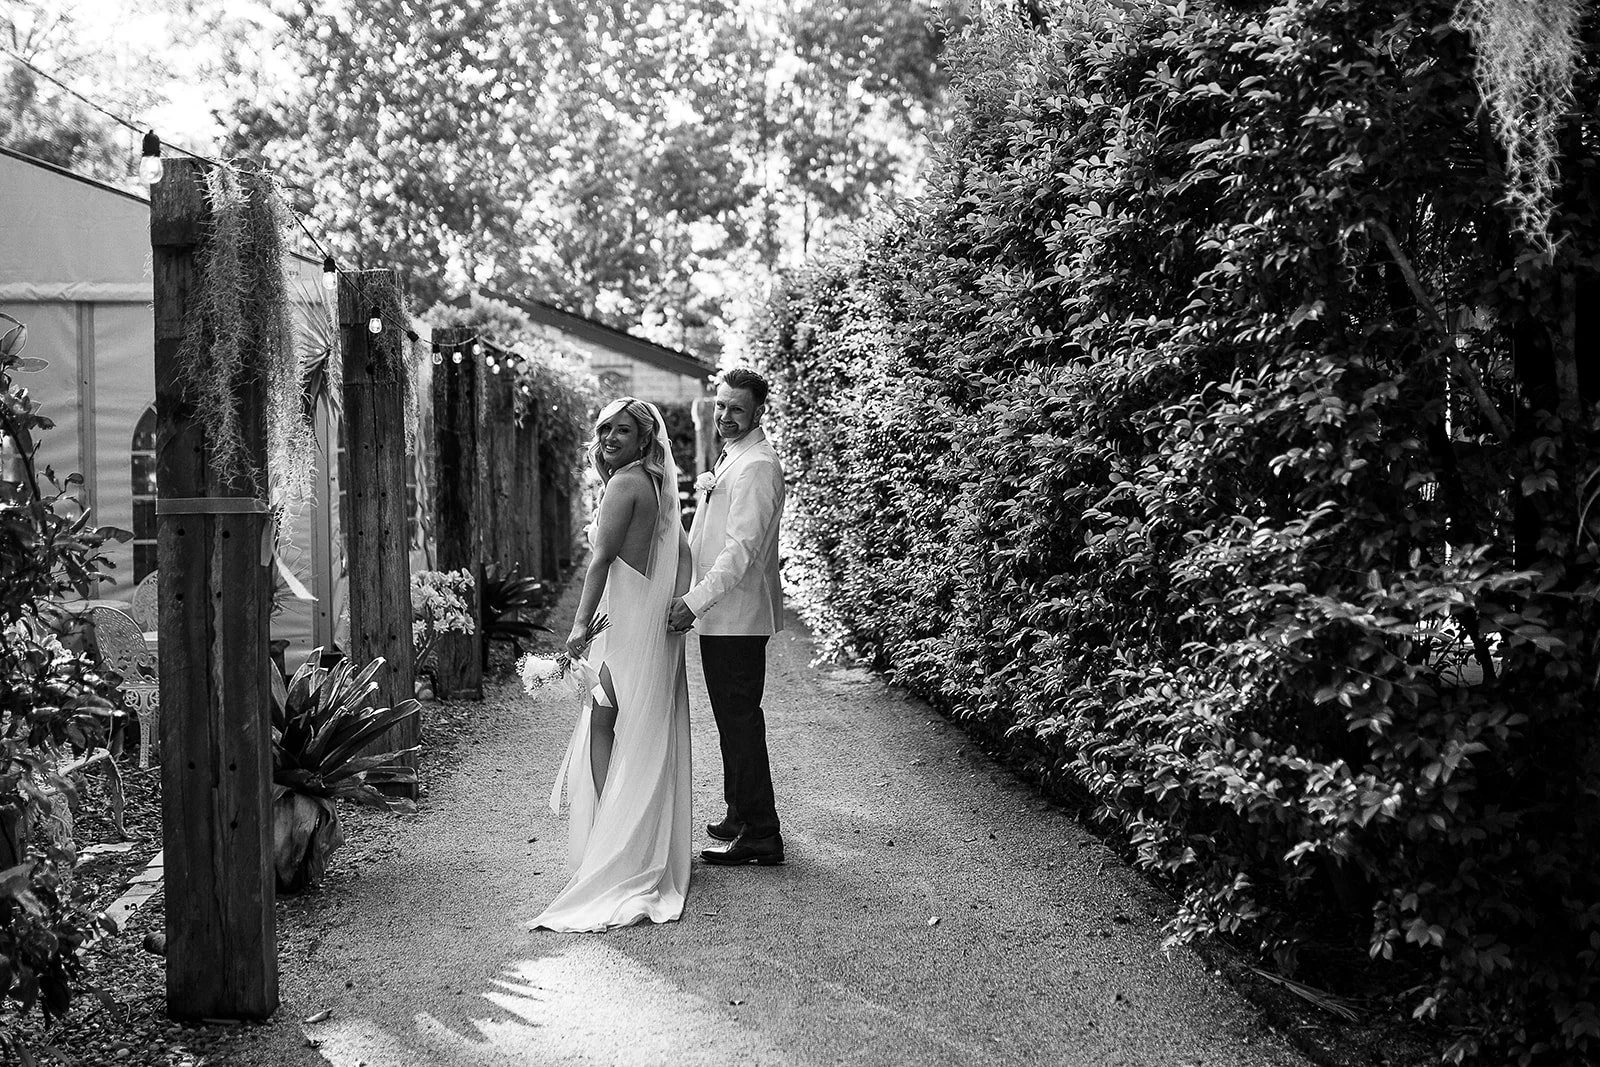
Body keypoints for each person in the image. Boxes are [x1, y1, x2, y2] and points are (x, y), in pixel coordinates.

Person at [532, 397, 693, 931]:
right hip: (640, 612)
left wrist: (578, 626)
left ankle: (610, 837)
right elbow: (682, 552)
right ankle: (636, 838)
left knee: (605, 720)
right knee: (638, 727)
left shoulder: (625, 485)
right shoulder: (652, 484)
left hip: (623, 620)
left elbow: (600, 559)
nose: (610, 439)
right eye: (605, 430)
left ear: (645, 438)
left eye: (622, 431)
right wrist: (673, 599)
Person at [667, 368, 786, 866]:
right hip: (723, 619)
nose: (726, 417)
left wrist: (692, 601)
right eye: (721, 406)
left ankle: (762, 833)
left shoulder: (758, 466)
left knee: (740, 724)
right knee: (730, 721)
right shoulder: (734, 455)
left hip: (736, 617)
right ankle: (740, 812)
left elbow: (739, 554)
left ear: (759, 411)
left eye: (737, 409)